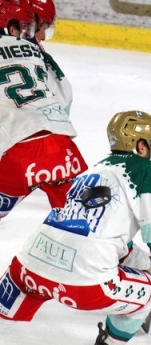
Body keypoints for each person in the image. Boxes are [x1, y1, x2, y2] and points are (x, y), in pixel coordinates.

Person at [0, 110, 151, 345]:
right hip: (84, 284)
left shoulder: (92, 170)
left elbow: (103, 238)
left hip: (27, 269)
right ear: (141, 146)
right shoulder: (147, 172)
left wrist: (146, 264)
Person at [0, 0, 87, 222]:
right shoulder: (35, 52)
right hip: (61, 149)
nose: (42, 37)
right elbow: (64, 97)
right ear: (13, 27)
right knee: (85, 227)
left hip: (18, 152)